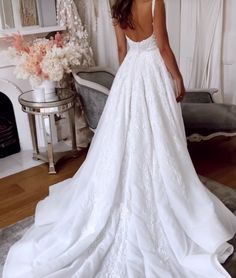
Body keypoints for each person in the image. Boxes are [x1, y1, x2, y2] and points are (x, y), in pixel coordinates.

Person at [3, 0, 236, 277]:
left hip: (130, 72)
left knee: (126, 133)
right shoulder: (154, 2)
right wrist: (178, 78)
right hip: (152, 71)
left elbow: (121, 50)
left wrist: (126, 83)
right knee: (158, 133)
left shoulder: (116, 4)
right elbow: (162, 47)